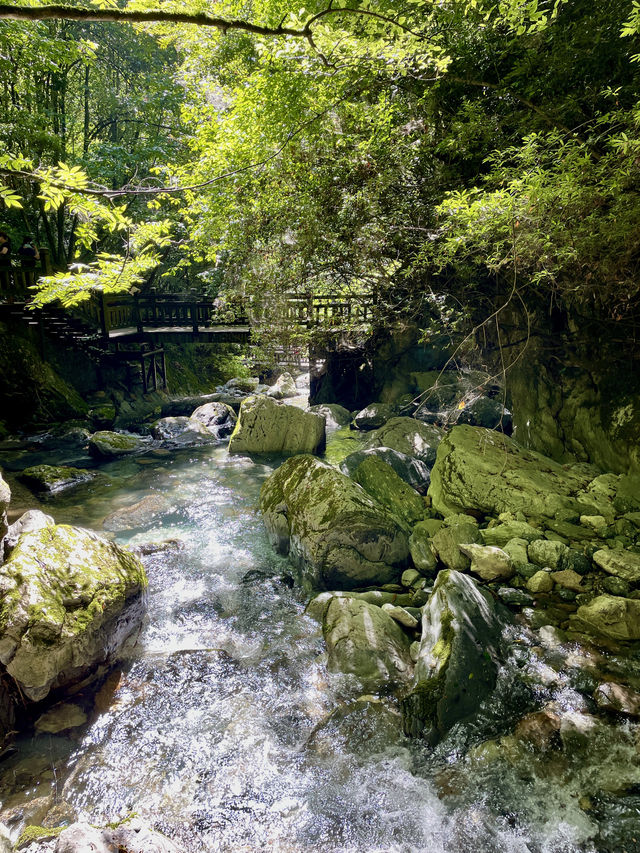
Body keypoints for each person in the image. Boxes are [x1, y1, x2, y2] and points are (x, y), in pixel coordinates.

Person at [0, 231, 12, 299]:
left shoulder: (6, 244)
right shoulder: (4, 244)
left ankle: (10, 299)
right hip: (3, 267)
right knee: (4, 282)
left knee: (6, 282)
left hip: (5, 266)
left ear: (1, 237)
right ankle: (7, 299)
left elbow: (4, 252)